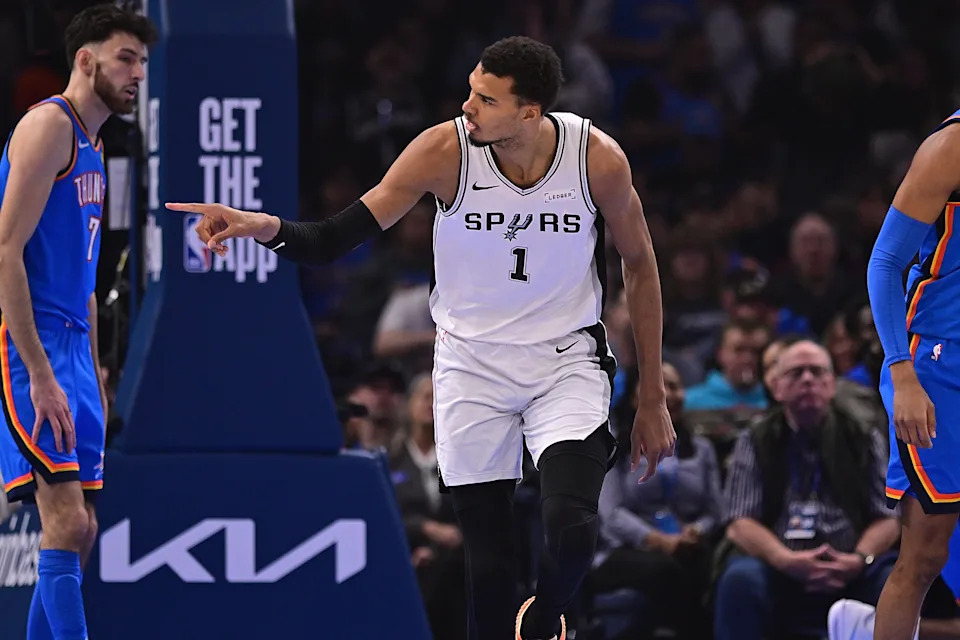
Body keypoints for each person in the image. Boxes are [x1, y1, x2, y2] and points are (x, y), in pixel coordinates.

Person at [168, 35, 675, 640]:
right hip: (471, 365)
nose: (468, 107)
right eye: (470, 91)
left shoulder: (596, 159)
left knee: (572, 528)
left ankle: (543, 622)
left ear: (529, 113)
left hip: (565, 360)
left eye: (486, 100)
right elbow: (335, 237)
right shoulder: (443, 151)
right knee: (488, 566)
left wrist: (651, 396)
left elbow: (640, 265)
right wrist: (263, 226)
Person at [0, 6, 155, 640]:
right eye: (126, 59)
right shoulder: (49, 126)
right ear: (86, 60)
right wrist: (41, 373)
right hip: (29, 341)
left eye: (143, 62)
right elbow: (5, 251)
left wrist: (90, 371)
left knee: (81, 529)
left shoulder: (94, 146)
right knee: (64, 522)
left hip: (73, 348)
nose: (138, 73)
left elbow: (86, 283)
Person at [867, 107, 960, 640]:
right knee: (923, 555)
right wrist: (901, 373)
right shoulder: (950, 147)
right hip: (940, 367)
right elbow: (885, 262)